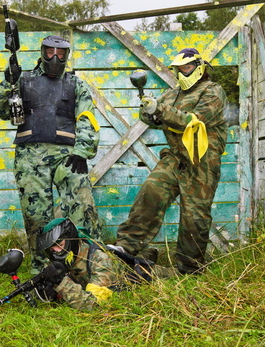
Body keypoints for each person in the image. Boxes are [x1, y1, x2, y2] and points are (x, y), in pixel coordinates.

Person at [112, 48, 228, 274]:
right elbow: (153, 118)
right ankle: (126, 247)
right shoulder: (173, 94)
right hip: (175, 158)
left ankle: (189, 269)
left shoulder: (213, 91)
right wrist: (148, 109)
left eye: (186, 68)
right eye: (178, 69)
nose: (182, 73)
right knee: (151, 190)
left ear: (199, 67)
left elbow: (192, 122)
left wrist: (160, 109)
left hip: (201, 163)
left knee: (194, 217)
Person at [0, 35, 102, 273]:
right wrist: (7, 81)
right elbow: (1, 111)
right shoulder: (23, 80)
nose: (54, 57)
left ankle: (90, 264)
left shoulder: (76, 84)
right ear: (42, 52)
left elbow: (87, 118)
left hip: (68, 156)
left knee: (82, 207)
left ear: (67, 56)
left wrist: (82, 152)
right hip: (30, 157)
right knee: (36, 216)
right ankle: (43, 270)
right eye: (50, 52)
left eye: (60, 53)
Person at [36, 218, 178, 311]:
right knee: (138, 257)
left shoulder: (99, 261)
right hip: (116, 264)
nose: (56, 252)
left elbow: (92, 305)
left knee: (178, 273)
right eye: (51, 249)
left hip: (139, 275)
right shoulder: (65, 254)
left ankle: (156, 255)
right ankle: (151, 251)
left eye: (60, 245)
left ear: (72, 240)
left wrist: (62, 284)